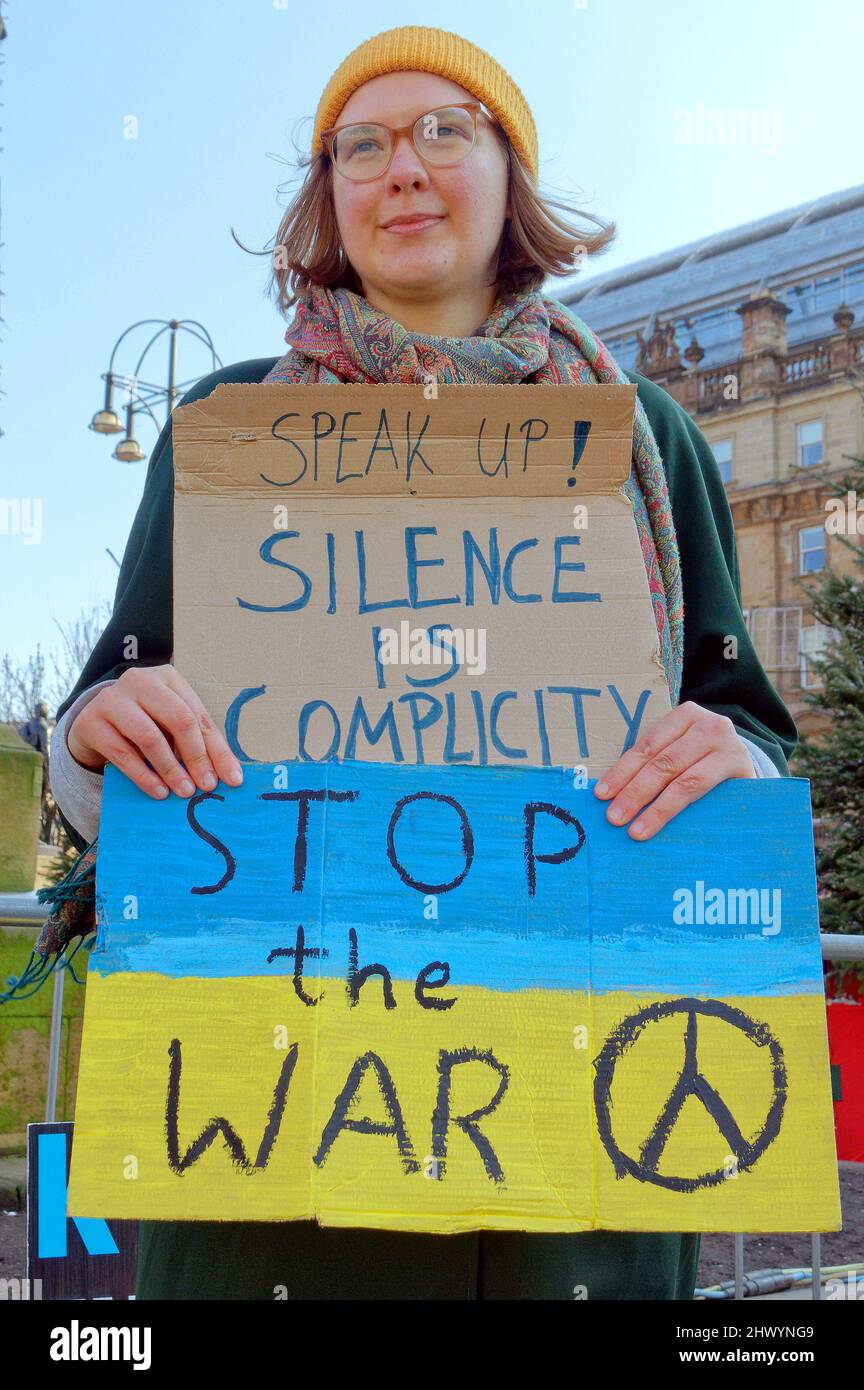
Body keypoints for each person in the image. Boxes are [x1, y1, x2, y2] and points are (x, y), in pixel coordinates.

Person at [50, 26, 797, 1300]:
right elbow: (106, 706)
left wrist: (734, 756)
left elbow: (745, 718)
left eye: (447, 130)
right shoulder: (224, 427)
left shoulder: (646, 437)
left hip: (576, 1186)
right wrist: (97, 730)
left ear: (511, 179)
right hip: (272, 1176)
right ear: (329, 196)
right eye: (363, 143)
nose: (404, 167)